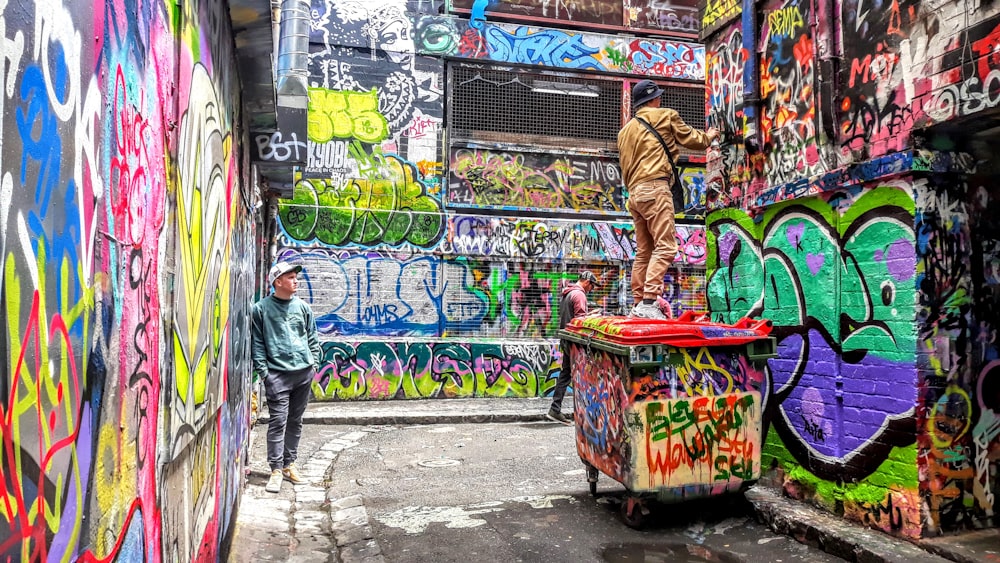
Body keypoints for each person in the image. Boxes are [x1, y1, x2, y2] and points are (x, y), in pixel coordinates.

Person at [618, 79, 720, 320]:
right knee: (666, 246)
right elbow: (692, 140)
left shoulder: (625, 131)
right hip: (655, 188)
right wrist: (710, 136)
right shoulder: (665, 115)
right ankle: (649, 301)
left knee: (644, 251)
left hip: (634, 194)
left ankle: (638, 302)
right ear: (654, 99)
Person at [252, 260, 321, 493]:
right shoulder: (261, 309)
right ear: (277, 282)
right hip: (277, 375)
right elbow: (258, 343)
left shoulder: (302, 307)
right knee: (277, 422)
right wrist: (265, 373)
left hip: (303, 373)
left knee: (295, 421)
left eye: (295, 277)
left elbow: (312, 337)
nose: (296, 280)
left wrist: (314, 365)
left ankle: (289, 465)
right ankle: (275, 470)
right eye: (290, 277)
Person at [546, 270, 603, 425]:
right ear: (587, 281)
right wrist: (594, 317)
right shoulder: (579, 295)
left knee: (566, 375)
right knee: (583, 375)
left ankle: (555, 409)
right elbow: (580, 321)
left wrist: (588, 313)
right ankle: (587, 411)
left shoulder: (568, 293)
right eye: (592, 286)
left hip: (567, 339)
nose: (592, 289)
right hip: (575, 343)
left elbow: (572, 317)